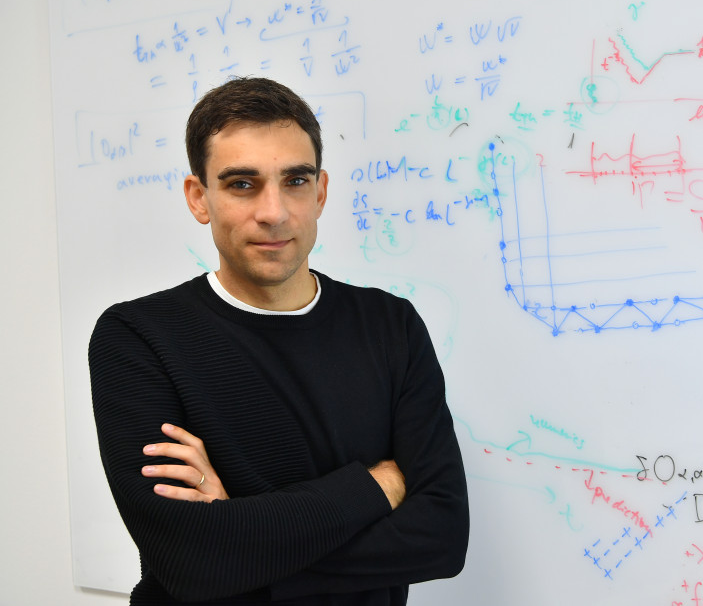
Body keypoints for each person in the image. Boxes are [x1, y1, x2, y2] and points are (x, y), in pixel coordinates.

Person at [88, 77, 469, 605]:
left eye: (294, 181)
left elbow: (443, 538)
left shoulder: (391, 325)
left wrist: (240, 540)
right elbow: (191, 561)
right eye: (242, 184)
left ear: (321, 192)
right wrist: (376, 486)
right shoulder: (137, 338)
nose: (274, 211)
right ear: (199, 198)